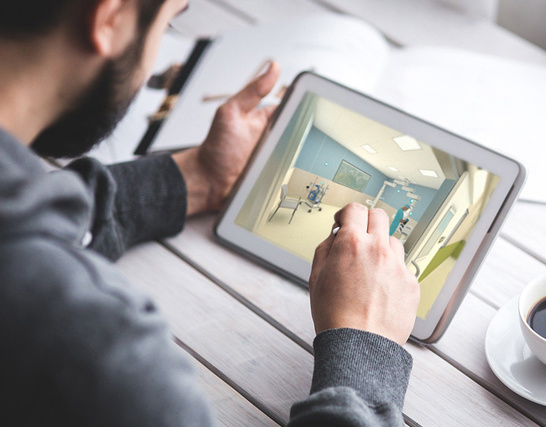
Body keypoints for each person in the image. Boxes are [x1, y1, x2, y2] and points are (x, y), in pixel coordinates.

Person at [0, 0, 420, 425]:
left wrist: (196, 177)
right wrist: (364, 349)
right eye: (170, 20)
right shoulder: (104, 358)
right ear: (111, 16)